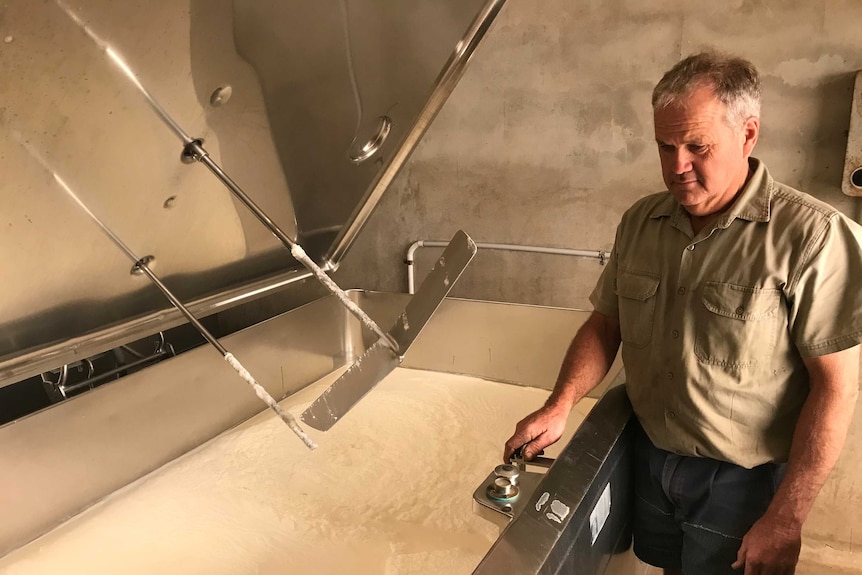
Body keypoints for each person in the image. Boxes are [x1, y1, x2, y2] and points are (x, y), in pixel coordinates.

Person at [504, 51, 862, 575]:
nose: (677, 166)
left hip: (745, 481)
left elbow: (835, 388)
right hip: (651, 457)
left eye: (698, 146)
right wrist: (560, 405)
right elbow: (606, 325)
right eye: (665, 146)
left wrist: (786, 517)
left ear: (748, 135)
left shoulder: (813, 236)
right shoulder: (641, 222)